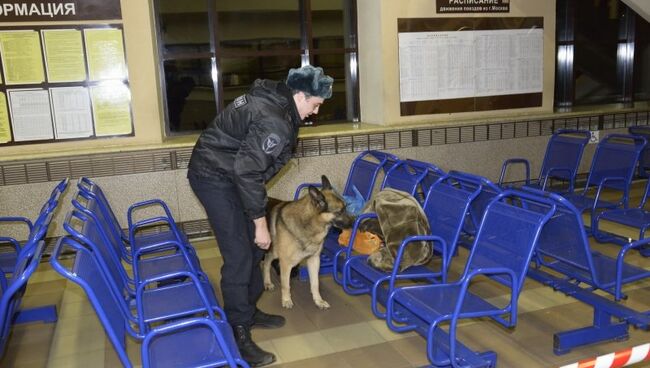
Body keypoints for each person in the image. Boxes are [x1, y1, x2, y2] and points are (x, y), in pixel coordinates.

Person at [187, 65, 333, 367]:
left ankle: (248, 311)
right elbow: (248, 170)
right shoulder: (275, 121)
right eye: (315, 105)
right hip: (213, 176)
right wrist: (259, 222)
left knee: (254, 248)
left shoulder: (278, 103)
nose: (315, 112)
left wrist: (258, 227)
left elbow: (247, 168)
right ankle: (238, 333)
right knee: (240, 254)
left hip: (230, 175)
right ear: (301, 95)